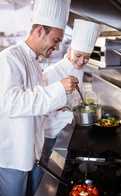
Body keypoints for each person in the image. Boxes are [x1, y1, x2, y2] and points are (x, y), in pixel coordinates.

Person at [0, 0, 80, 196]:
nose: (56, 45)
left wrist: (67, 66)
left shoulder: (33, 61)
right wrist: (58, 90)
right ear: (39, 31)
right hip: (12, 156)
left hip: (30, 149)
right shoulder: (8, 59)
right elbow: (10, 102)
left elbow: (41, 86)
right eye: (55, 40)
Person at [40, 19, 101, 166]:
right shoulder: (50, 73)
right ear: (69, 50)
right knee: (44, 171)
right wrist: (59, 106)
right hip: (51, 133)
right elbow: (41, 105)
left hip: (67, 129)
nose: (81, 61)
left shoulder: (78, 69)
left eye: (86, 57)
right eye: (78, 55)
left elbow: (75, 97)